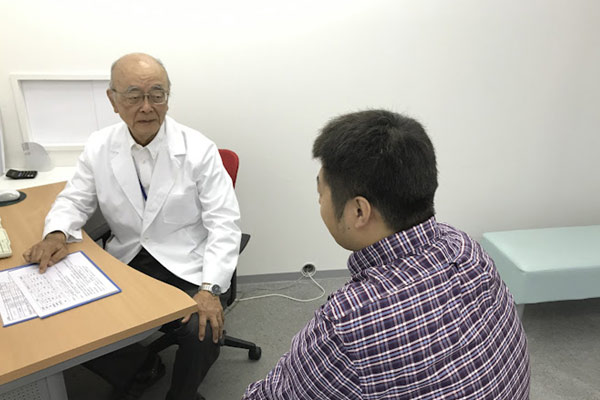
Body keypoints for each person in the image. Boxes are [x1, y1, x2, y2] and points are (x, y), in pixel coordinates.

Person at [242, 110, 530, 399]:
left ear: (358, 211)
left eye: (321, 193)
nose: (319, 202)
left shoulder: (346, 327)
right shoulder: (467, 250)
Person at [24, 53, 241, 400]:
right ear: (113, 100)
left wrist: (210, 289)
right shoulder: (99, 146)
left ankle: (182, 395)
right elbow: (75, 199)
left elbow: (224, 224)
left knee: (202, 330)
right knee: (66, 320)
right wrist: (56, 233)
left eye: (157, 94)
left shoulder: (198, 150)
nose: (146, 107)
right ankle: (141, 367)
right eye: (133, 95)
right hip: (127, 257)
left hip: (186, 260)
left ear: (168, 97)